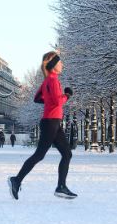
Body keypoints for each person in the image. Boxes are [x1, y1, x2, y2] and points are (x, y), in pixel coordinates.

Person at [8, 51, 77, 200]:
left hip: (53, 122)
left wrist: (51, 99)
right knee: (40, 155)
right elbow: (58, 101)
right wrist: (67, 95)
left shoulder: (48, 81)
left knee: (67, 153)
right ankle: (16, 180)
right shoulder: (52, 81)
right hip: (51, 122)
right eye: (60, 62)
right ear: (53, 65)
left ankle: (61, 187)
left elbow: (37, 98)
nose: (62, 64)